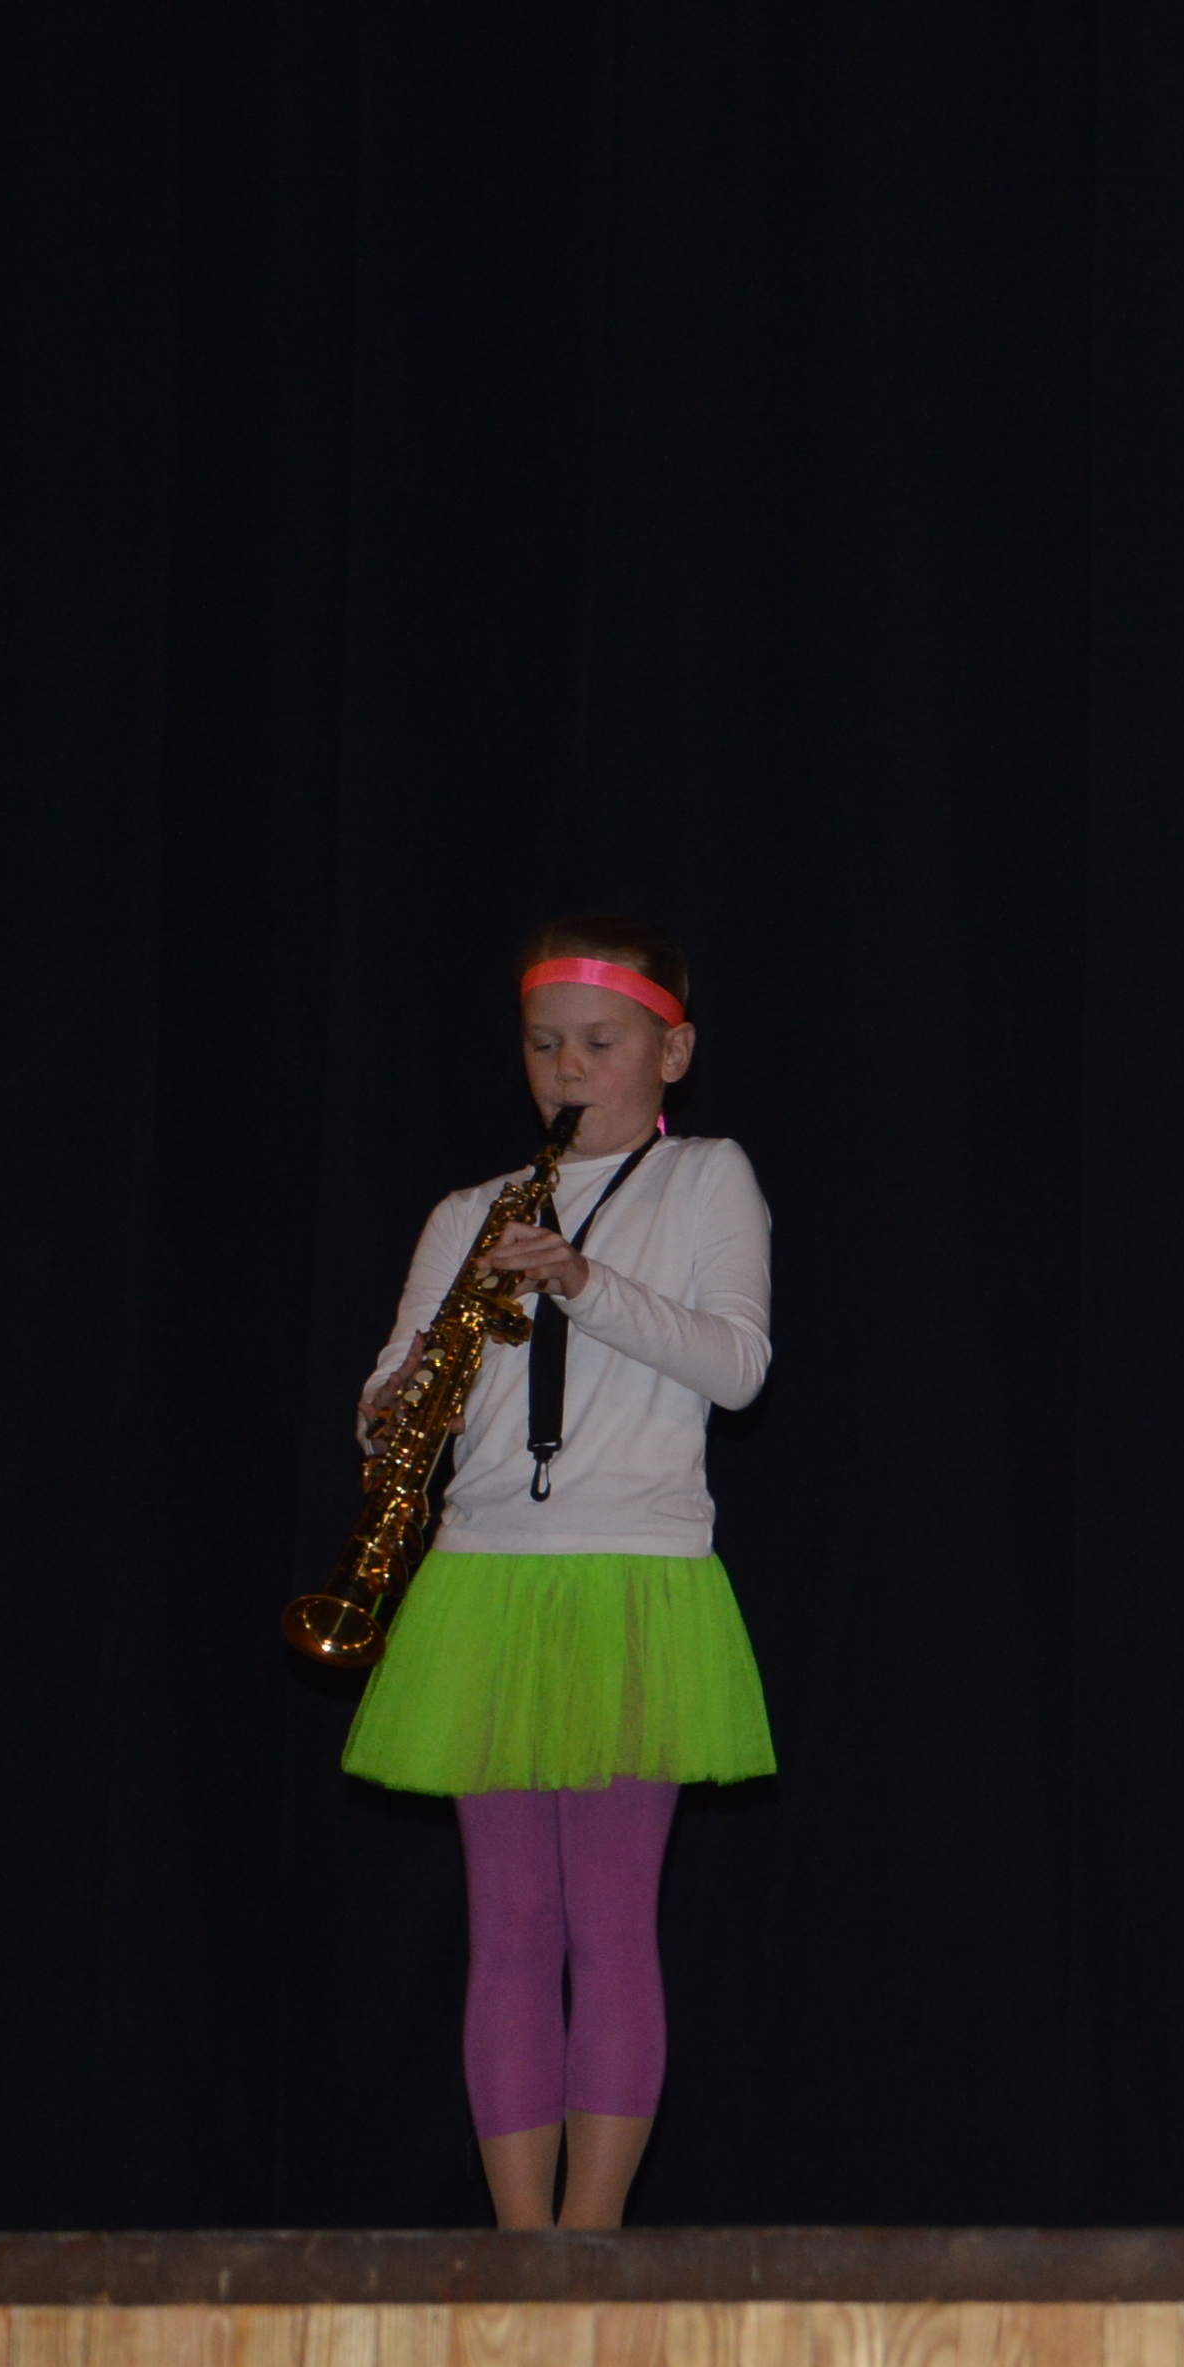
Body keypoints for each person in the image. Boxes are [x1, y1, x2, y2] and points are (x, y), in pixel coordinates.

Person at [338, 913, 776, 2229]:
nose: (568, 1069)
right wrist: (395, 1404)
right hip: (486, 1577)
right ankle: (522, 2250)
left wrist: (582, 1279)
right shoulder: (467, 1211)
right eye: (544, 1045)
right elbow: (390, 1388)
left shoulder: (706, 1178)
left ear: (672, 1052)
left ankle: (594, 2246)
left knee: (612, 1924)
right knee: (511, 1930)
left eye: (600, 1043)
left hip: (635, 1575)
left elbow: (739, 1368)